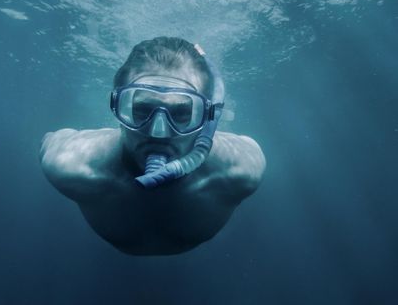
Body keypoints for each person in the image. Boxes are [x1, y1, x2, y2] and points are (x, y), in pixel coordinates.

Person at [40, 37, 266, 256]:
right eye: (141, 109)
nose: (159, 132)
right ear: (117, 107)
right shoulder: (71, 165)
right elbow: (50, 139)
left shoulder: (241, 170)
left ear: (208, 119)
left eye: (182, 113)